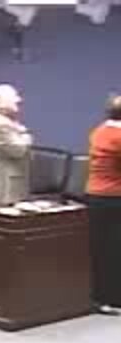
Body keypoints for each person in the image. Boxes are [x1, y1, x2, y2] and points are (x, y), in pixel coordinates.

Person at [86, 94, 121, 314]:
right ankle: (114, 299)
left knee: (101, 249)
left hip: (95, 197)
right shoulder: (119, 137)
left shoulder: (98, 131)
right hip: (114, 199)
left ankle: (101, 298)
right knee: (115, 250)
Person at [0, 84, 33, 205]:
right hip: (4, 190)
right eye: (14, 97)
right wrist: (26, 136)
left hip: (12, 187)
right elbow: (18, 150)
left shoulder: (9, 123)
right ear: (2, 102)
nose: (19, 100)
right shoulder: (0, 124)